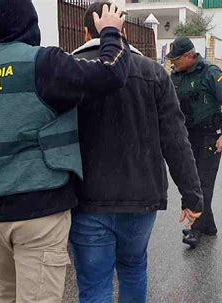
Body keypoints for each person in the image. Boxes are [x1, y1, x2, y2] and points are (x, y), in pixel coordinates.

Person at [0, 0, 130, 302]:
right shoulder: (44, 64)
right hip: (38, 212)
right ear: (30, 24)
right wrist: (111, 31)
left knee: (4, 296)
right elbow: (111, 74)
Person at [69, 3, 204, 302]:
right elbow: (176, 139)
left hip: (87, 200)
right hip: (141, 199)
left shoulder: (70, 70)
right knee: (132, 269)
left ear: (84, 32)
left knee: (94, 284)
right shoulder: (154, 74)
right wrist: (192, 195)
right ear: (124, 32)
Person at [167, 36, 222, 248]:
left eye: (177, 59)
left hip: (209, 136)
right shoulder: (176, 76)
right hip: (187, 136)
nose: (173, 63)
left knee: (202, 182)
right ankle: (208, 225)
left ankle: (196, 228)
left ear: (190, 56)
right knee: (191, 180)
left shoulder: (210, 73)